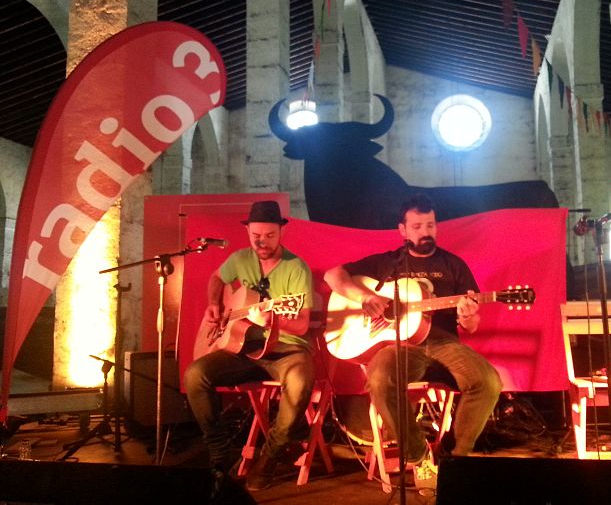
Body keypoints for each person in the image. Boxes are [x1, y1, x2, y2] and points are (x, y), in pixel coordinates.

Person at [323, 193, 502, 484]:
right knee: (380, 381)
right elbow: (333, 276)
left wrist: (468, 315)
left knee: (489, 382)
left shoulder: (454, 265)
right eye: (417, 227)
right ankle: (419, 456)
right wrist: (366, 296)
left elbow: (471, 326)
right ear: (403, 230)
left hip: (444, 344)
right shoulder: (388, 263)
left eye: (430, 225)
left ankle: (455, 457)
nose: (425, 232)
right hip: (399, 346)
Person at [184, 200, 315, 492]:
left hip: (286, 348)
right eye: (256, 235)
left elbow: (303, 324)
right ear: (248, 232)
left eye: (269, 235)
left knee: (300, 383)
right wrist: (214, 303)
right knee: (196, 374)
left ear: (281, 232)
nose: (262, 241)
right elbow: (217, 278)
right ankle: (221, 453)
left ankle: (268, 458)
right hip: (244, 348)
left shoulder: (297, 268)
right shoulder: (240, 259)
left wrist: (272, 322)